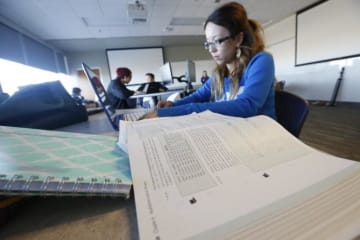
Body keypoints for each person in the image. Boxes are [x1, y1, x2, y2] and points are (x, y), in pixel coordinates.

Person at [141, 2, 276, 120]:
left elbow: (248, 106)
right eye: (208, 43)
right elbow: (199, 96)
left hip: (261, 136)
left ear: (238, 39)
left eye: (217, 41)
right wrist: (173, 105)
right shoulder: (221, 72)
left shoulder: (261, 61)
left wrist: (175, 112)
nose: (211, 50)